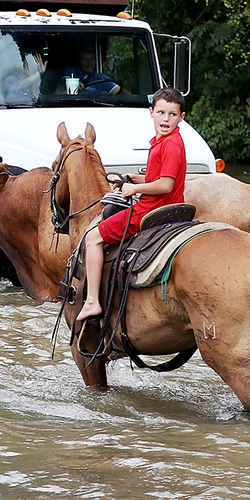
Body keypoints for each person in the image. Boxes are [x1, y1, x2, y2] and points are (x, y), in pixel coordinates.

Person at [75, 87, 188, 324]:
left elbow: (166, 185)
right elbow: (159, 179)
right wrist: (132, 179)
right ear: (151, 112)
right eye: (161, 112)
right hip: (165, 204)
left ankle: (93, 301)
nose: (166, 119)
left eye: (172, 114)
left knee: (93, 238)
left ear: (182, 117)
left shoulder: (170, 145)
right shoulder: (166, 141)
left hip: (150, 210)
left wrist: (134, 189)